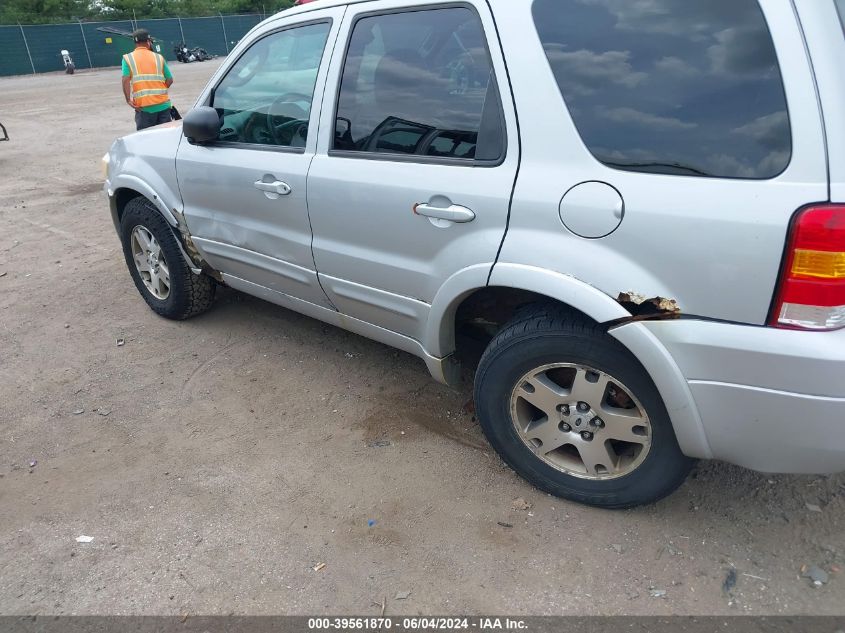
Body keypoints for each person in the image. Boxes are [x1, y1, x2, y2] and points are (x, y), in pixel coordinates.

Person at [122, 29, 174, 131]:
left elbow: (125, 80)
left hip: (144, 108)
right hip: (163, 106)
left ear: (135, 42)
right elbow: (170, 79)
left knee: (145, 138)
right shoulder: (159, 57)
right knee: (165, 137)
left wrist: (128, 99)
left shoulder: (128, 58)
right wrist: (160, 89)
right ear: (148, 41)